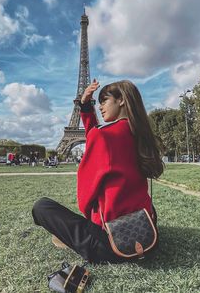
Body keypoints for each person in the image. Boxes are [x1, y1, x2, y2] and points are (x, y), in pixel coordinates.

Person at [32, 79, 164, 264]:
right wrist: (86, 107)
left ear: (121, 100)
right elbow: (98, 137)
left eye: (104, 101)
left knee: (42, 206)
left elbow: (86, 196)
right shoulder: (141, 134)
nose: (100, 107)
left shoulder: (102, 135)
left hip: (111, 245)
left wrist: (84, 105)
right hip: (147, 233)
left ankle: (70, 236)